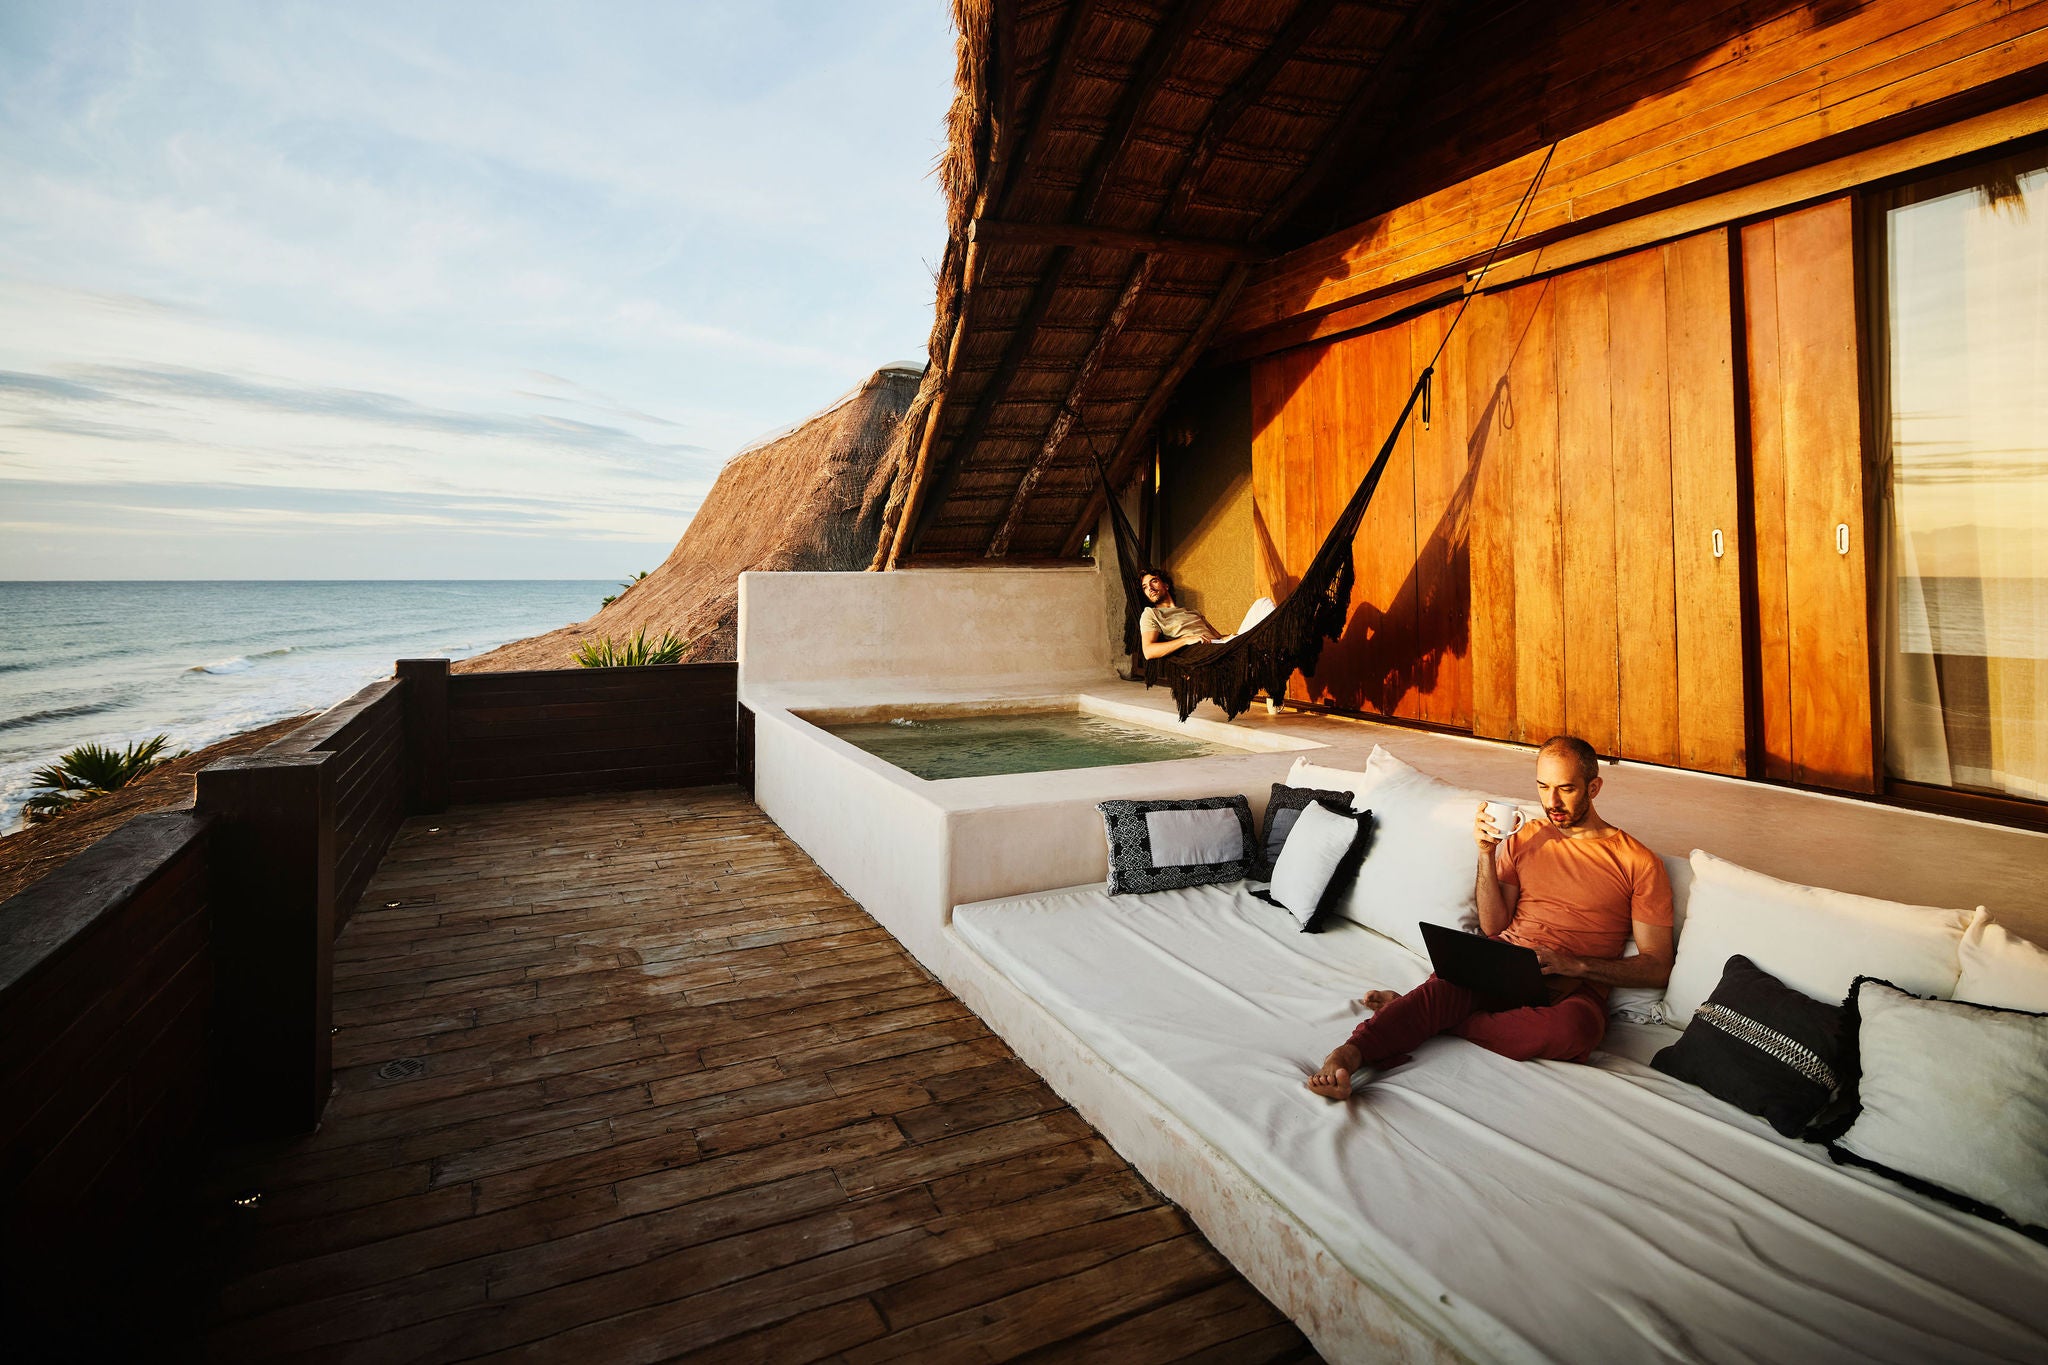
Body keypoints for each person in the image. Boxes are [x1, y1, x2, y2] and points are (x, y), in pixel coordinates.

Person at [1305, 735, 1674, 1099]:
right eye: (1543, 787)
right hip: (1506, 961)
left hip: (1576, 985)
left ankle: (1426, 1014)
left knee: (1575, 1031)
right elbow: (1494, 925)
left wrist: (1576, 965)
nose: (1552, 802)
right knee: (1445, 986)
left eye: (1566, 789)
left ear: (1594, 787)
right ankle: (1344, 1058)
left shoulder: (1637, 861)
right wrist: (1485, 853)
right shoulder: (1524, 836)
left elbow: (1657, 965)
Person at [1137, 570, 1276, 661]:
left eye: (1153, 581)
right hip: (1207, 653)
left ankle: (1274, 653)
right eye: (1144, 587)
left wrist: (1230, 636)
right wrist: (1185, 640)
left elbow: (1218, 637)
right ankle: (1274, 659)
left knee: (1263, 603)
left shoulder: (1192, 612)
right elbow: (1148, 651)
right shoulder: (1151, 614)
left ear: (1166, 585)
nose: (1149, 588)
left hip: (1221, 645)